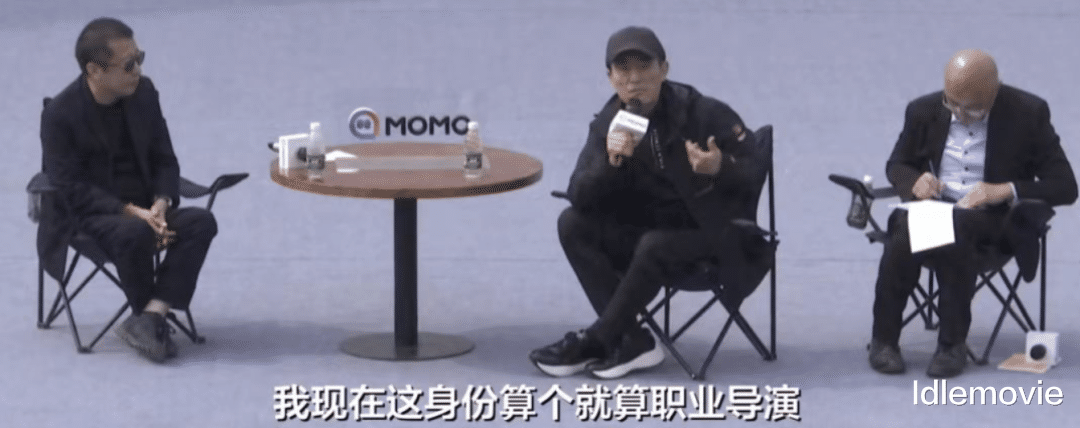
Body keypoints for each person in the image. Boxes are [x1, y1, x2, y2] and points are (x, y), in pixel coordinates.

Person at [529, 26, 768, 379]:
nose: (634, 79)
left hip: (716, 235)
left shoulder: (704, 113)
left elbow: (755, 168)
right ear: (610, 77)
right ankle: (631, 339)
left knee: (654, 244)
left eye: (644, 67)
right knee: (571, 224)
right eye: (623, 69)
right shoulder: (610, 124)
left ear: (664, 69)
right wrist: (610, 161)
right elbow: (579, 195)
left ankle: (599, 339)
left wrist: (721, 166)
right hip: (648, 235)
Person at [868, 49, 1076, 378]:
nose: (961, 115)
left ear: (995, 91)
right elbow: (898, 164)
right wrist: (915, 181)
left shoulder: (1028, 113)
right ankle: (884, 341)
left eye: (974, 109)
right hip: (932, 211)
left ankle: (951, 346)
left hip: (992, 221)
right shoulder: (923, 110)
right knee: (904, 228)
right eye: (953, 104)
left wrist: (1004, 189)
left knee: (957, 227)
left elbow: (1065, 186)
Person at [39, 17, 218, 363]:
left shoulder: (144, 93)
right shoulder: (60, 115)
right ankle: (147, 322)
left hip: (146, 209)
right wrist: (132, 212)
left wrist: (161, 203)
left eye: (140, 59)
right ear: (94, 70)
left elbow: (165, 158)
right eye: (128, 64)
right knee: (134, 232)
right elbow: (70, 189)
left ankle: (151, 315)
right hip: (89, 216)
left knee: (201, 222)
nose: (138, 71)